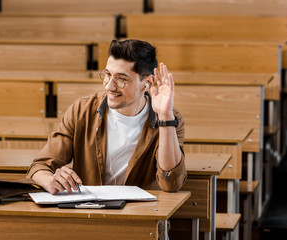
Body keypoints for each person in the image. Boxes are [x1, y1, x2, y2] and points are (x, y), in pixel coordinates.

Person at [26, 39, 187, 194]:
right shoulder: (81, 110)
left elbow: (171, 184)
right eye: (108, 75)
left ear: (148, 83)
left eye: (121, 79)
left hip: (140, 215)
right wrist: (51, 180)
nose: (109, 86)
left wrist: (165, 116)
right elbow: (39, 167)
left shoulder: (171, 120)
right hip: (89, 212)